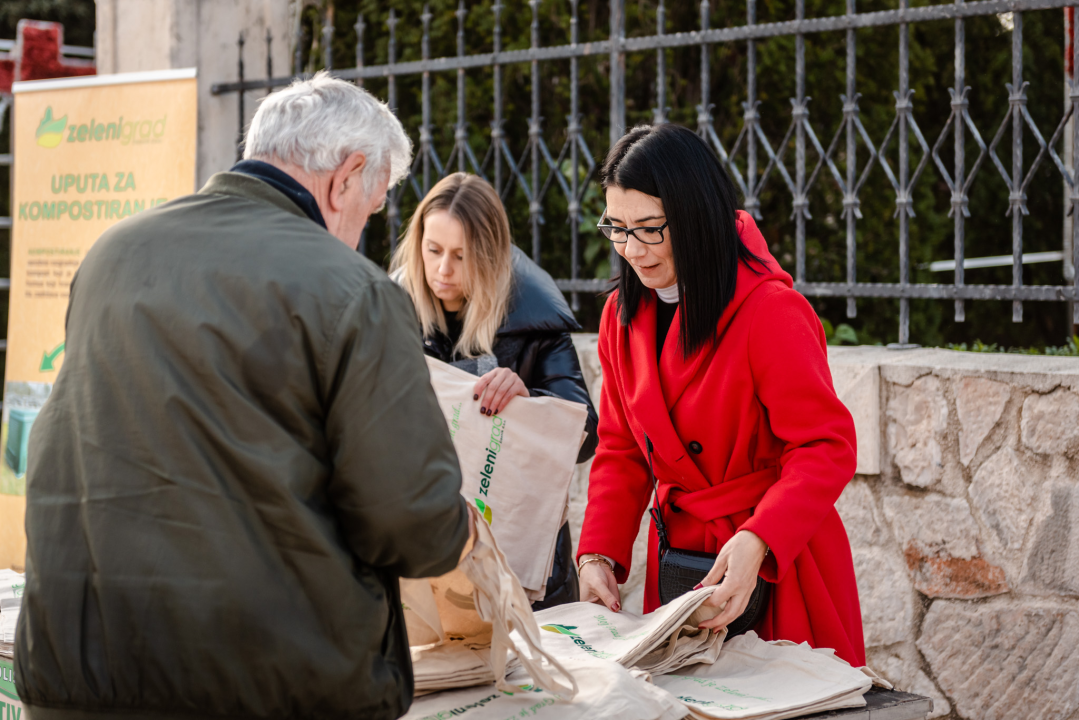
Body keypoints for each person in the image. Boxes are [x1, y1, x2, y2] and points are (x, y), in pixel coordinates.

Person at [16, 72, 473, 720]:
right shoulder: (354, 292)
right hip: (269, 686)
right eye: (368, 210)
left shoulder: (111, 254)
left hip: (78, 678)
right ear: (347, 177)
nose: (359, 236)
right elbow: (411, 522)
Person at [576, 124, 865, 666]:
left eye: (648, 228)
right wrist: (598, 554)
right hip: (682, 562)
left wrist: (760, 539)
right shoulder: (620, 316)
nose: (631, 250)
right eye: (616, 228)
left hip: (777, 561)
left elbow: (826, 446)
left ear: (692, 216)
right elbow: (621, 449)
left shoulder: (769, 311)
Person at [391, 172, 599, 611]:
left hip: (522, 574)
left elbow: (585, 435)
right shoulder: (389, 309)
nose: (442, 270)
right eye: (433, 250)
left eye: (461, 256)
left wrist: (529, 399)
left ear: (489, 256)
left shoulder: (535, 315)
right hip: (419, 562)